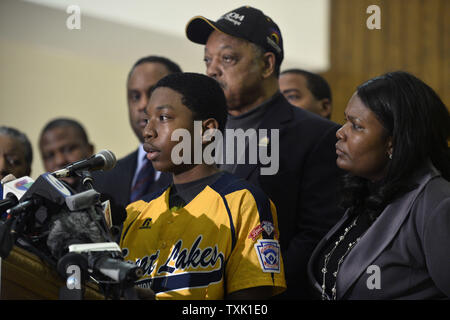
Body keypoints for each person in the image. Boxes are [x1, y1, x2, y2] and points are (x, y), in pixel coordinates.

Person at [186, 6, 343, 298]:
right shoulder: (196, 133)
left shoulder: (317, 135)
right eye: (208, 60)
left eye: (227, 58)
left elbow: (317, 238)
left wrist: (245, 290)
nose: (211, 70)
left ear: (267, 65)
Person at [120, 72, 286, 299]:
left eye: (164, 117)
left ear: (207, 130)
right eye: (148, 119)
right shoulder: (134, 213)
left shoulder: (242, 202)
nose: (148, 131)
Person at [308, 71, 450, 299]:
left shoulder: (437, 203)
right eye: (345, 120)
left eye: (356, 126)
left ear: (393, 142)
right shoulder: (367, 191)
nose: (340, 132)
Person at [93, 56, 182, 227]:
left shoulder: (199, 167)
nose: (142, 105)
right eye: (135, 96)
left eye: (153, 93)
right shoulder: (101, 180)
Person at [39, 118, 94, 191]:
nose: (59, 161)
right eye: (50, 156)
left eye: (68, 150)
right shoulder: (40, 200)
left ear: (89, 150)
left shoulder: (112, 179)